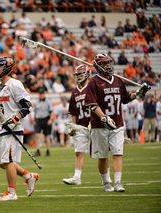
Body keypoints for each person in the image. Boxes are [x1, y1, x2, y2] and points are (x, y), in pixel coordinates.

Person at [0, 56, 39, 201]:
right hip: (3, 128)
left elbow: (27, 106)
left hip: (14, 128)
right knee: (1, 162)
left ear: (6, 68)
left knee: (8, 159)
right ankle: (29, 176)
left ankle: (12, 192)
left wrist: (15, 119)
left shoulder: (15, 84)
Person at [85, 53, 150, 192]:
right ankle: (105, 182)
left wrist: (137, 94)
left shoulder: (118, 80)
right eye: (104, 63)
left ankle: (118, 182)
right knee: (102, 156)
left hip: (117, 123)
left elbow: (125, 98)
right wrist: (104, 117)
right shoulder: (93, 82)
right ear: (98, 66)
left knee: (117, 153)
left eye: (109, 62)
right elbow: (91, 104)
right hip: (100, 125)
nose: (108, 65)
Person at [63, 64, 112, 185]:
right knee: (79, 152)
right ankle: (77, 177)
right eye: (77, 75)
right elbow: (73, 111)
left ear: (87, 74)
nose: (78, 76)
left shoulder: (94, 87)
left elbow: (101, 106)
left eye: (80, 74)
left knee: (103, 152)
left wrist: (99, 120)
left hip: (95, 125)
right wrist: (73, 126)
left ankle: (108, 176)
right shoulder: (75, 92)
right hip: (81, 127)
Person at [33, 88, 55, 157]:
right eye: (40, 94)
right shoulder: (37, 102)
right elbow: (35, 112)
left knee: (46, 136)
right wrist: (34, 120)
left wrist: (50, 119)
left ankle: (48, 150)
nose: (41, 95)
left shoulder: (48, 102)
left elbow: (51, 111)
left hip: (46, 119)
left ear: (44, 94)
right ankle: (37, 150)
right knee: (37, 135)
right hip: (38, 120)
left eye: (42, 94)